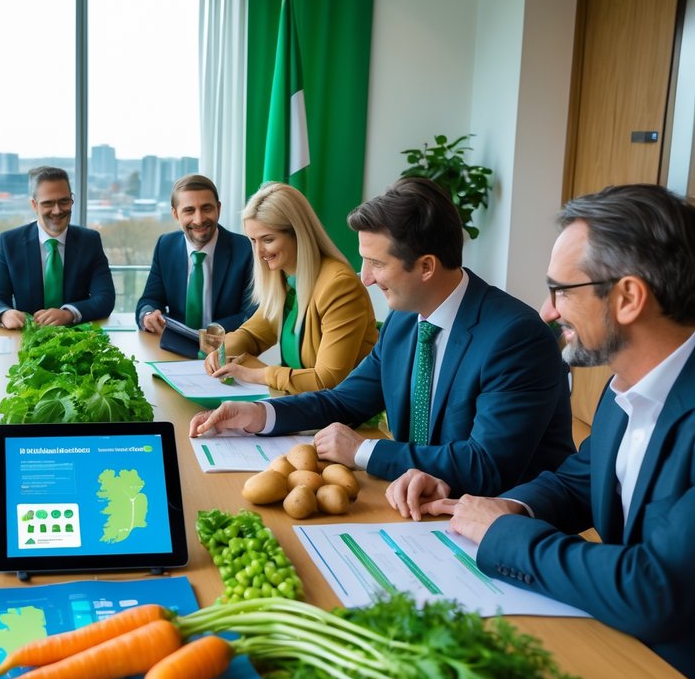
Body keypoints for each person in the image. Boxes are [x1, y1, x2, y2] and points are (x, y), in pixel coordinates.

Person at [417, 184, 695, 679]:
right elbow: (580, 480)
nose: (547, 311)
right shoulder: (623, 387)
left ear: (628, 297)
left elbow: (655, 588)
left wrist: (503, 533)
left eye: (561, 291)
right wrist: (505, 505)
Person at [189, 177, 574, 497]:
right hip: (414, 508)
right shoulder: (405, 321)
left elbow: (485, 466)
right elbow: (344, 401)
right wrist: (260, 414)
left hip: (499, 525)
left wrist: (364, 451)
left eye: (376, 263)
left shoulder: (516, 338)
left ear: (426, 267)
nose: (364, 277)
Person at [202, 182, 378, 392]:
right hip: (300, 405)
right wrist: (220, 352)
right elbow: (253, 334)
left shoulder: (340, 286)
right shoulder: (285, 276)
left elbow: (327, 381)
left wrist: (255, 373)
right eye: (253, 241)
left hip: (347, 418)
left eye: (267, 240)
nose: (258, 253)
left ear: (298, 234)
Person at [135, 174, 256, 356]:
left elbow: (252, 314)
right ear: (176, 214)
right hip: (174, 350)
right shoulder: (165, 246)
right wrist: (148, 315)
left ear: (219, 209)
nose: (199, 220)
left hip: (228, 352)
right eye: (189, 211)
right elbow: (150, 299)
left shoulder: (246, 249)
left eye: (206, 208)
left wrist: (207, 335)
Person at [0, 166, 115, 328]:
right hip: (26, 339)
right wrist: (4, 313)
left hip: (77, 340)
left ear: (72, 200)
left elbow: (105, 298)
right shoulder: (11, 242)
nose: (57, 210)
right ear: (34, 205)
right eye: (48, 203)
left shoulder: (90, 241)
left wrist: (69, 313)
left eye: (64, 201)